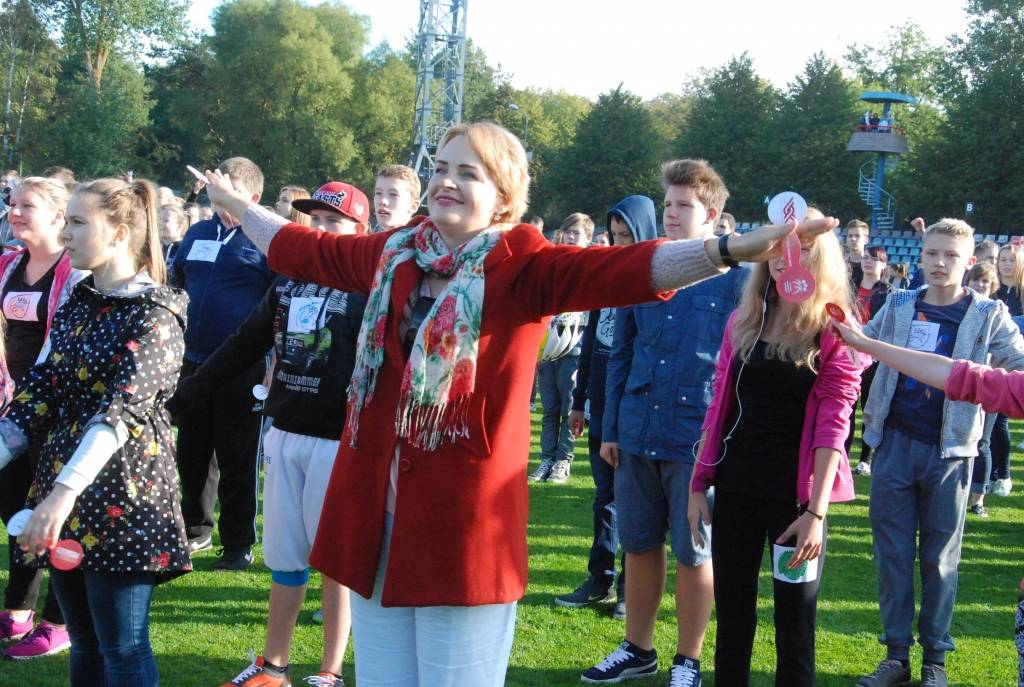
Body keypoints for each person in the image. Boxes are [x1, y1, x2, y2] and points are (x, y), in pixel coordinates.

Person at [198, 121, 840, 687]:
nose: (446, 182)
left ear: (504, 195)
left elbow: (628, 269)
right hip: (372, 519)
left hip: (462, 529)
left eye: (468, 173)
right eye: (440, 168)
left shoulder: (523, 264)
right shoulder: (395, 251)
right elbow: (303, 249)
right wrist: (235, 205)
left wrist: (730, 249)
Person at [169, 181, 371, 687]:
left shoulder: (370, 285)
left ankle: (329, 671)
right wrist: (185, 396)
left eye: (334, 221)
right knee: (284, 558)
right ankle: (273, 666)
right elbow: (243, 344)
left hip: (339, 442)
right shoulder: (287, 282)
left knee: (334, 563)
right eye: (315, 220)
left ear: (360, 231)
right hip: (283, 431)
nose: (321, 230)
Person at [0, 177, 190, 685]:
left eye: (79, 222)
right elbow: (37, 392)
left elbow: (119, 415)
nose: (66, 233)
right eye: (67, 221)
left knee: (123, 648)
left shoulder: (156, 314)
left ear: (119, 232)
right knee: (83, 641)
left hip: (124, 496)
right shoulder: (78, 300)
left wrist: (59, 497)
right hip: (64, 489)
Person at [585, 159, 747, 687]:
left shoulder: (739, 279)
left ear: (712, 215)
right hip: (636, 430)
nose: (671, 214)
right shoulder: (645, 268)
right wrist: (611, 429)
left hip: (695, 438)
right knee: (638, 543)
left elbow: (742, 368)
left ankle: (688, 660)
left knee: (694, 552)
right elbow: (620, 354)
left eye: (683, 206)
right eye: (667, 204)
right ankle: (638, 648)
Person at [689, 216, 866, 687]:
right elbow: (718, 408)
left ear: (820, 257)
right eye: (782, 248)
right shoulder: (745, 320)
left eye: (803, 248)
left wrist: (816, 513)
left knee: (795, 626)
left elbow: (834, 427)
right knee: (733, 619)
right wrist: (698, 484)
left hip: (796, 505)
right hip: (735, 492)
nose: (789, 258)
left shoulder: (835, 330)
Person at [854, 218, 1024, 687]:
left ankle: (935, 660)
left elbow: (1018, 361)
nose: (940, 263)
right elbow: (861, 349)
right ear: (921, 255)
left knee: (940, 559)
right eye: (932, 253)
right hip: (894, 444)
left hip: (951, 452)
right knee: (891, 555)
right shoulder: (899, 304)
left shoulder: (988, 313)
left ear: (969, 262)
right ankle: (895, 655)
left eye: (951, 255)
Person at [170, 156, 276, 570]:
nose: (218, 198)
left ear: (253, 197)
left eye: (228, 190)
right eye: (215, 190)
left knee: (238, 457)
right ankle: (196, 529)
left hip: (242, 367)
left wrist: (275, 359)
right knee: (192, 451)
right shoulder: (198, 232)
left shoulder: (266, 240)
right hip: (193, 362)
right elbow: (177, 281)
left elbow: (279, 303)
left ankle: (237, 544)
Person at [0, 177, 89, 660]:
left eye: (26, 205)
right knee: (14, 509)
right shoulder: (8, 264)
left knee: (57, 516)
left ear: (58, 216)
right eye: (11, 204)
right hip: (10, 410)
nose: (14, 212)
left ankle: (59, 622)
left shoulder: (75, 272)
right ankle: (17, 610)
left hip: (56, 411)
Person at [554, 197, 651, 617]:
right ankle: (600, 579)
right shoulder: (606, 275)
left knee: (634, 501)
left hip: (634, 408)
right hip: (599, 403)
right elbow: (592, 340)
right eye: (615, 235)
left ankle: (631, 588)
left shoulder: (653, 280)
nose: (619, 242)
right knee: (604, 498)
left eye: (627, 235)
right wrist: (579, 401)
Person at [530, 212, 593, 484]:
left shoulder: (589, 268)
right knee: (549, 409)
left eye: (577, 233)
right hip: (548, 348)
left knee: (569, 409)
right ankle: (546, 459)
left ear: (588, 238)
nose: (571, 236)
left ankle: (563, 461)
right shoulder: (553, 263)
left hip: (574, 348)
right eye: (568, 231)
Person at [851, 245, 892, 476]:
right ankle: (841, 453)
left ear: (883, 264)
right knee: (846, 409)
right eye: (865, 257)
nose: (868, 261)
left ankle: (865, 459)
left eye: (874, 259)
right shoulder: (849, 287)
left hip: (873, 356)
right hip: (847, 353)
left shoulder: (889, 293)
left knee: (869, 408)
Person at [964, 262, 1000, 517]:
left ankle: (978, 499)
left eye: (985, 281)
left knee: (983, 441)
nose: (980, 284)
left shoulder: (998, 313)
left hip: (988, 384)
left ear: (992, 285)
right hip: (961, 384)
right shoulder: (961, 309)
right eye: (976, 279)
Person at [990, 242, 1023, 497]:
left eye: (1011, 259)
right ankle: (988, 474)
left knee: (1000, 421)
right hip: (989, 360)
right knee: (988, 421)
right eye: (1003, 259)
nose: (1007, 264)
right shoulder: (992, 290)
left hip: (1015, 361)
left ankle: (1003, 474)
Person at [373, 164, 421, 232]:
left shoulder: (421, 237)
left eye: (393, 194)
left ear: (413, 206)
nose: (383, 201)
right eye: (378, 193)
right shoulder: (372, 236)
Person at [159, 203, 187, 268]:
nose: (160, 223)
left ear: (179, 225)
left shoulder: (185, 249)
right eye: (159, 220)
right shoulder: (154, 247)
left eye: (166, 220)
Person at [845, 219, 869, 285]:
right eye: (850, 236)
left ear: (866, 240)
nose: (853, 239)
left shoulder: (870, 266)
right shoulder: (840, 265)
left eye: (857, 235)